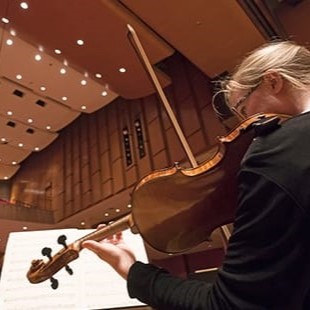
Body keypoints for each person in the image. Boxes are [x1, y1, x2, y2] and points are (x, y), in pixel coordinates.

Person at [82, 41, 310, 309]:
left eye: (244, 108)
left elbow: (226, 305)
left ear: (273, 81)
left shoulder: (275, 153)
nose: (244, 122)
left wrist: (130, 269)